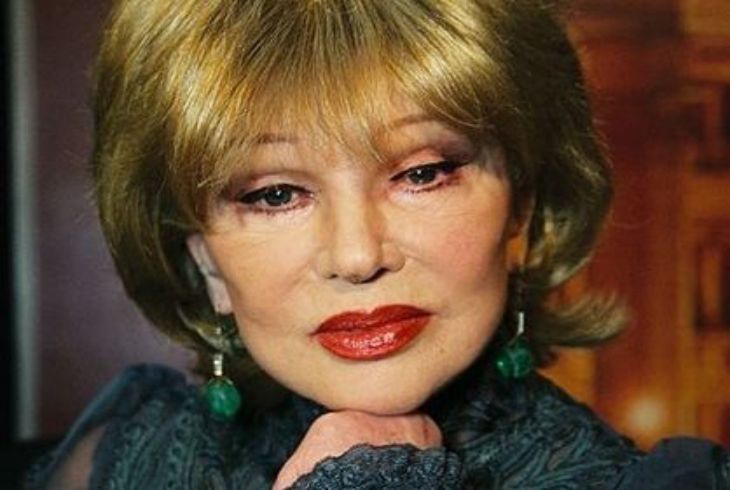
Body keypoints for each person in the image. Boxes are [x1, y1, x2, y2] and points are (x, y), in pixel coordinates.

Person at [26, 0, 729, 488]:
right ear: (201, 254)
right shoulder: (127, 458)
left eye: (421, 173)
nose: (358, 257)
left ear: (521, 205)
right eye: (275, 194)